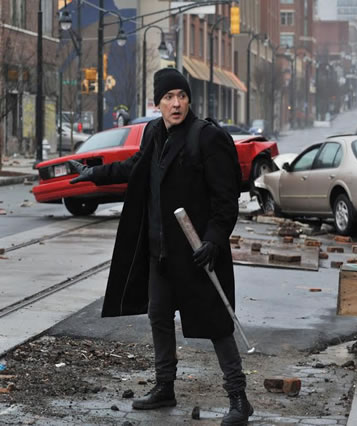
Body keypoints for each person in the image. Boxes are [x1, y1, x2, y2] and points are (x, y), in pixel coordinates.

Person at [69, 68, 252, 425]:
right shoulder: (154, 133)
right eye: (168, 97)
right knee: (159, 317)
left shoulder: (206, 137)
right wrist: (95, 173)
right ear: (158, 104)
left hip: (197, 252)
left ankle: (239, 398)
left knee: (216, 323)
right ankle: (165, 386)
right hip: (160, 252)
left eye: (181, 96)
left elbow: (226, 199)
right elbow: (135, 167)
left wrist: (214, 240)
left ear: (189, 100)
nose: (176, 103)